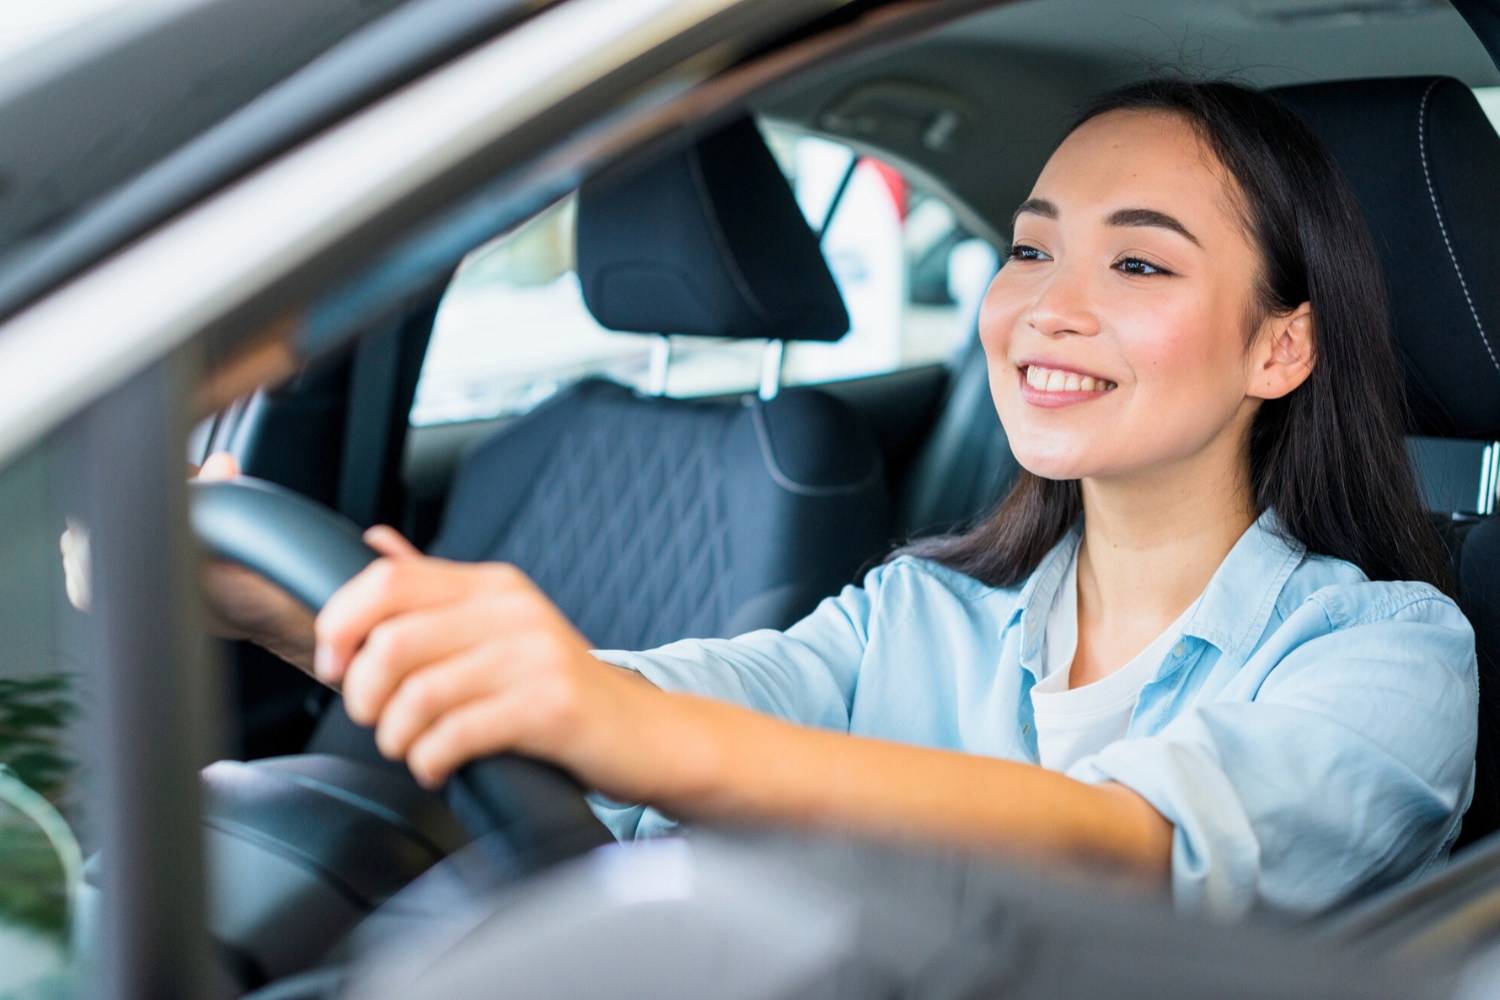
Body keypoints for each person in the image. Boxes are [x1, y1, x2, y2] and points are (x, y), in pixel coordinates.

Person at [203, 79, 1477, 919]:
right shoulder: (919, 611)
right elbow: (681, 697)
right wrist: (302, 613)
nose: (1046, 305)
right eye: (1031, 247)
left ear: (1280, 348)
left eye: (1137, 262)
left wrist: (633, 730)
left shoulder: (1392, 653)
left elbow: (1135, 851)